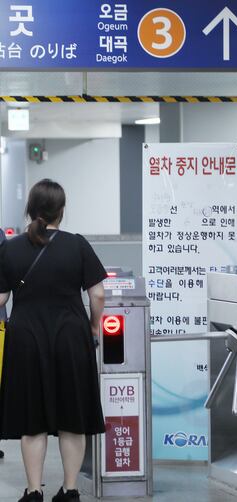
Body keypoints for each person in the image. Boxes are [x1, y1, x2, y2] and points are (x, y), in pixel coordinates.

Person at [0, 180, 107, 502]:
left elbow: (1, 298)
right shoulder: (77, 245)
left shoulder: (11, 248)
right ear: (61, 210)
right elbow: (98, 294)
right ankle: (70, 490)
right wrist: (94, 326)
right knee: (73, 417)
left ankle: (34, 492)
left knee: (32, 420)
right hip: (70, 336)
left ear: (30, 209)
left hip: (26, 338)